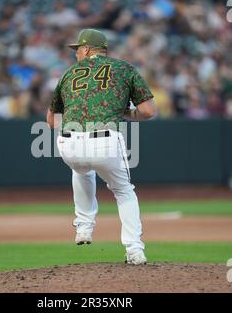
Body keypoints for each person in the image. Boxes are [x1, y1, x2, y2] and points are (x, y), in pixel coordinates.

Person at [46, 29, 157, 265]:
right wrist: (126, 114)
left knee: (81, 169)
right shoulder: (124, 69)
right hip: (105, 141)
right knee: (123, 190)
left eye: (78, 49)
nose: (76, 54)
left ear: (87, 49)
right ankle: (134, 250)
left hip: (68, 143)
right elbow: (148, 112)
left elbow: (50, 120)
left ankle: (84, 227)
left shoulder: (68, 74)